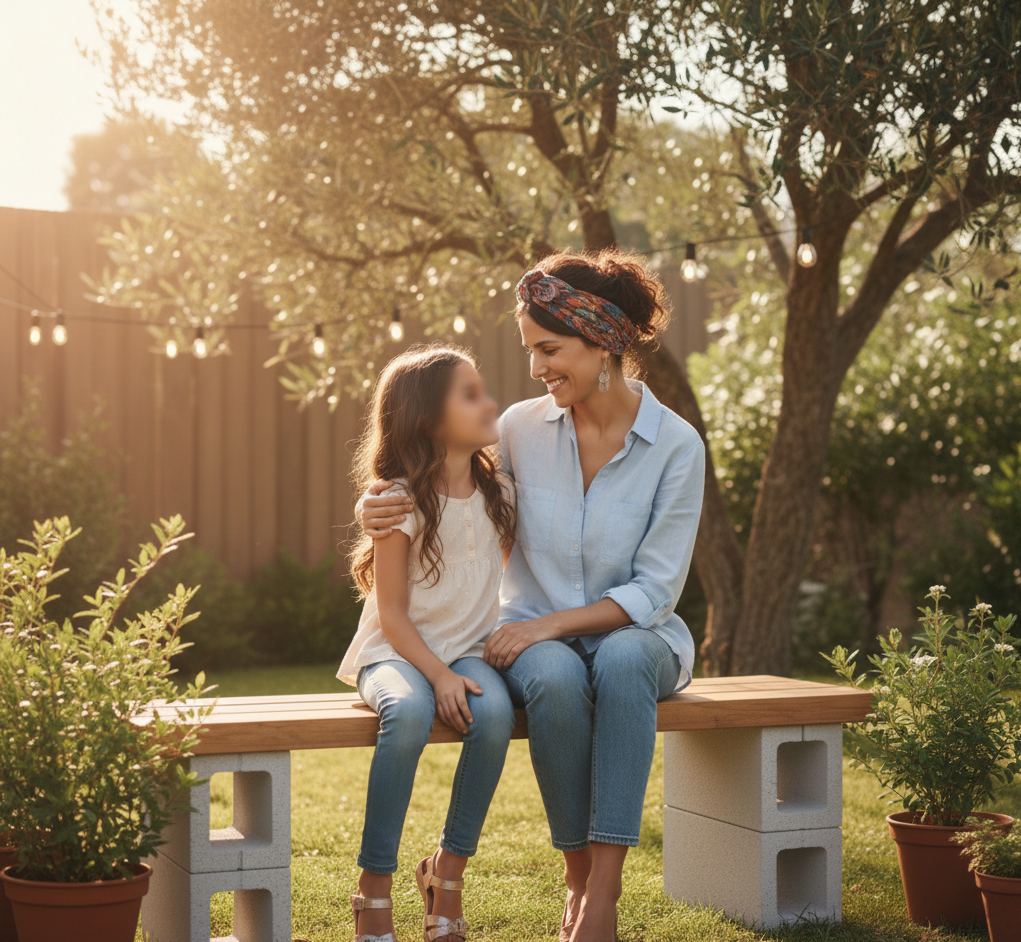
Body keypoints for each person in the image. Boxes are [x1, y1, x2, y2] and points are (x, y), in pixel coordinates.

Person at [358, 248, 705, 942]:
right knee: (550, 672)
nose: (535, 368)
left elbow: (656, 590)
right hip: (532, 643)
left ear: (603, 341)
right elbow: (448, 487)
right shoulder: (518, 426)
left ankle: (600, 900)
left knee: (621, 660)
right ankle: (575, 882)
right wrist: (379, 503)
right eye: (529, 349)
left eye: (549, 349)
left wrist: (549, 625)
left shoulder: (675, 445)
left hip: (641, 637)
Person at [339, 344, 517, 942]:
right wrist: (438, 677)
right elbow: (390, 615)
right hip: (394, 654)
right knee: (409, 713)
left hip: (470, 649)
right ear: (428, 418)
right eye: (470, 394)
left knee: (494, 718)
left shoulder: (502, 495)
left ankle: (446, 876)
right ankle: (374, 890)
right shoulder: (398, 501)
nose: (488, 401)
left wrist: (457, 668)